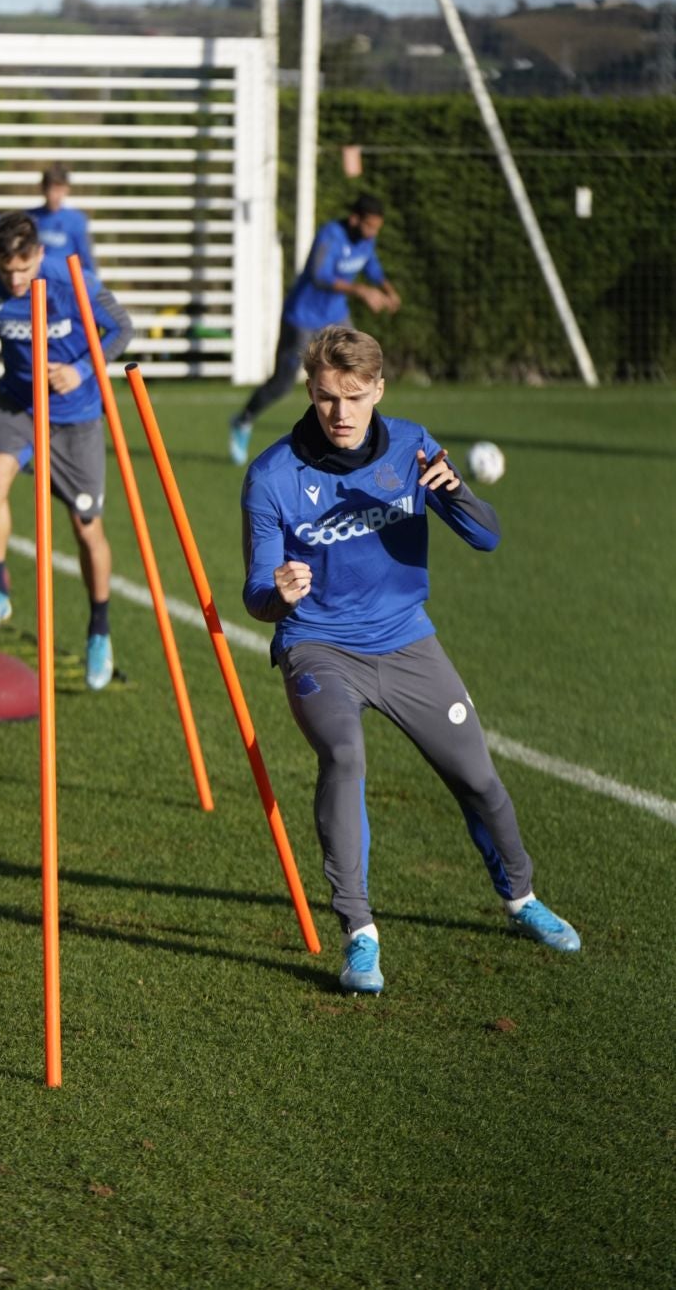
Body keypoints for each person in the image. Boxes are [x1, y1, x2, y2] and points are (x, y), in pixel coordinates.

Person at [241, 325, 580, 994]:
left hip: (406, 638)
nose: (340, 412)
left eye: (355, 396)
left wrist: (452, 492)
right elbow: (256, 596)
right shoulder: (273, 477)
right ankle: (359, 933)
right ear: (310, 390)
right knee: (344, 754)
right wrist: (275, 594)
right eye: (327, 396)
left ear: (378, 390)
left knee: (479, 779)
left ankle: (520, 898)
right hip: (319, 645)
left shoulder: (412, 443)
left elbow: (486, 536)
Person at [0, 212, 133, 691]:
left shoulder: (74, 281)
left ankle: (99, 630)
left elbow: (121, 328)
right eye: (7, 270)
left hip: (75, 416)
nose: (16, 280)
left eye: (24, 269)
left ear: (38, 256)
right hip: (17, 405)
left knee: (86, 529)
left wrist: (83, 370)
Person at [229, 192, 401, 467]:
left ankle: (365, 440)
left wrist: (388, 291)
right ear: (355, 219)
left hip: (335, 317)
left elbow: (372, 266)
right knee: (283, 383)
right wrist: (359, 290)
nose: (371, 234)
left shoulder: (366, 241)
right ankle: (243, 420)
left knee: (359, 369)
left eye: (376, 229)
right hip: (302, 317)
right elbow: (319, 275)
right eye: (369, 227)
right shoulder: (330, 235)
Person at [30, 164, 95, 269]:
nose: (57, 196)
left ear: (67, 190)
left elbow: (85, 256)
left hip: (64, 280)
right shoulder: (30, 218)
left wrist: (92, 282)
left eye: (60, 190)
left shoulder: (76, 220)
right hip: (39, 281)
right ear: (43, 189)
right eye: (53, 190)